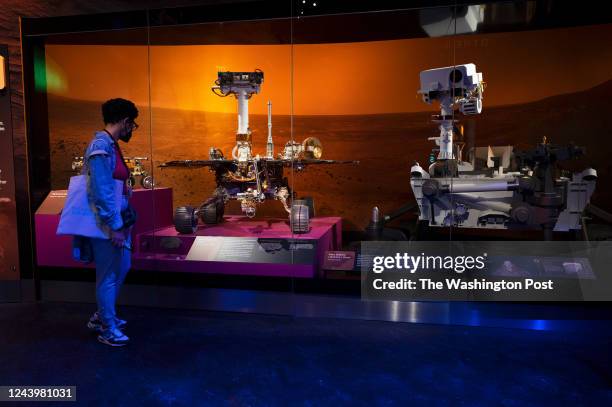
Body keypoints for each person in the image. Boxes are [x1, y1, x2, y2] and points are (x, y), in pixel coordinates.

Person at [81, 98, 139, 346]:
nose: (131, 129)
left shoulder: (111, 145)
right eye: (132, 124)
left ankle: (103, 315)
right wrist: (114, 227)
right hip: (107, 224)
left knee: (122, 267)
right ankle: (107, 327)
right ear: (125, 121)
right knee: (108, 275)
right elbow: (102, 192)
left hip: (118, 222)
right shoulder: (101, 146)